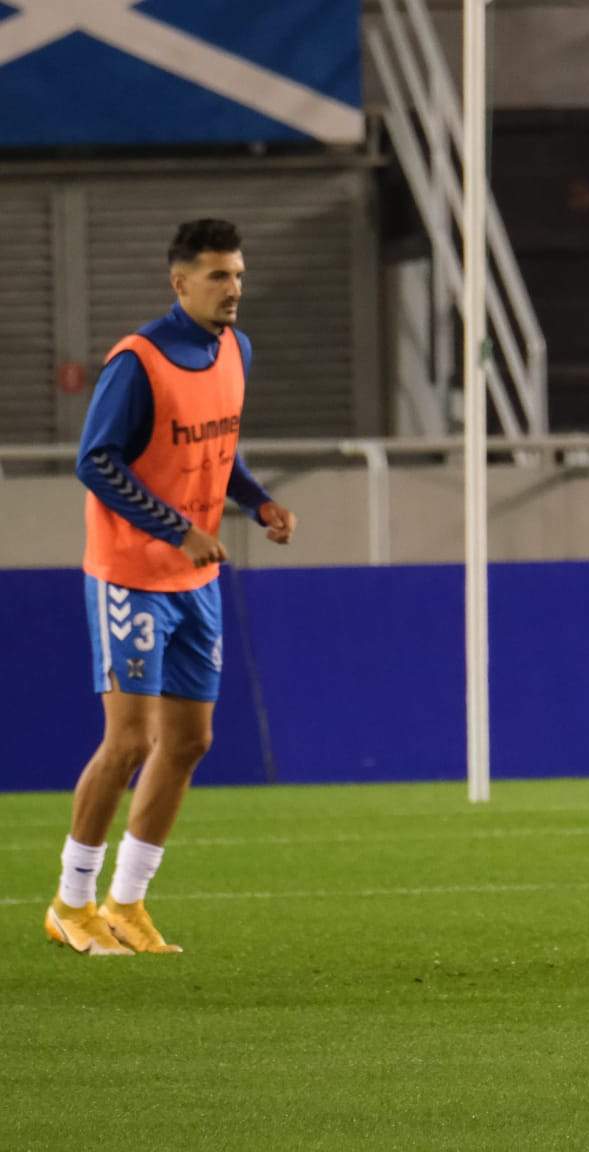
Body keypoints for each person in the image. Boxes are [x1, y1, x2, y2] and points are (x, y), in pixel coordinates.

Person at [46, 218, 297, 958]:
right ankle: (71, 901)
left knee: (190, 741)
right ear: (179, 282)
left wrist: (258, 501)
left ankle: (127, 902)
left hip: (196, 581)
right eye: (218, 276)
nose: (233, 289)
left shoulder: (236, 350)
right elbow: (96, 461)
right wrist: (178, 529)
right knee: (129, 741)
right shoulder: (139, 360)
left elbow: (219, 445)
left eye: (239, 274)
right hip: (132, 576)